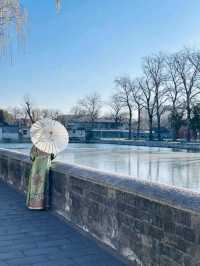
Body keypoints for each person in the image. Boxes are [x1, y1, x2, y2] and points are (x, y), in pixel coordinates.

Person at [26, 145, 55, 210]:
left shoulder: (36, 144)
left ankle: (33, 205)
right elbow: (53, 156)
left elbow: (32, 156)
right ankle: (42, 204)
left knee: (34, 184)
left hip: (36, 165)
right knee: (43, 184)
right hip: (45, 166)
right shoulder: (50, 145)